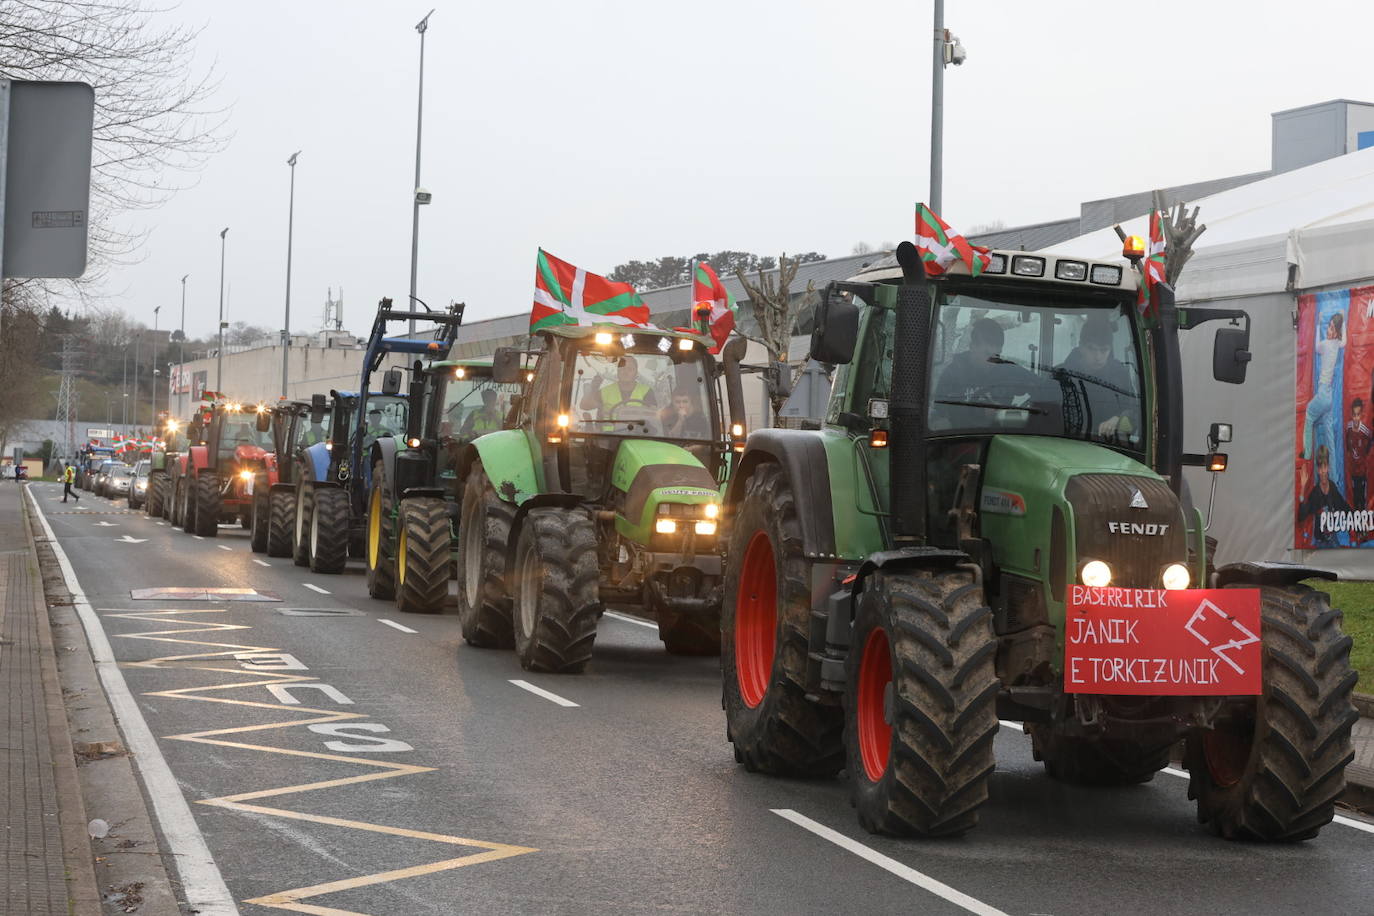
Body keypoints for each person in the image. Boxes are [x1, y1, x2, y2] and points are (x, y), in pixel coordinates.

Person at [933, 317, 1040, 428]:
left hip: (1002, 437)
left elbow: (1045, 387)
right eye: (986, 353)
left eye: (996, 355)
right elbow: (942, 415)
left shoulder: (1008, 370)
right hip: (962, 438)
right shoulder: (953, 374)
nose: (992, 361)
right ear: (972, 346)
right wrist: (981, 412)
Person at [1057, 314, 1140, 442]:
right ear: (1081, 347)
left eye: (1104, 350)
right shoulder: (1060, 375)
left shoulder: (1120, 374)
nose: (1098, 356)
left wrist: (1118, 419)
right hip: (1066, 444)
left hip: (1111, 449)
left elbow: (1135, 411)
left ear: (1110, 349)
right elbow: (1045, 415)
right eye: (1092, 349)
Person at [1302, 310, 1346, 460]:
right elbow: (1344, 341)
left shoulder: (1326, 344)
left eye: (1332, 328)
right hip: (1329, 397)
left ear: (1336, 332)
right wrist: (1344, 322)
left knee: (1309, 415)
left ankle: (1307, 453)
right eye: (1329, 326)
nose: (1329, 330)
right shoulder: (1337, 344)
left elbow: (1316, 347)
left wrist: (1318, 323)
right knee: (1330, 439)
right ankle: (1333, 476)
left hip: (1322, 393)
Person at [580, 355, 657, 431]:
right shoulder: (605, 391)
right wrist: (594, 387)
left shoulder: (647, 392)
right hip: (607, 438)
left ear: (636, 372)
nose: (625, 372)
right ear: (618, 371)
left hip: (637, 436)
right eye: (622, 368)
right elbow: (585, 406)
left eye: (630, 369)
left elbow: (654, 417)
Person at [1298, 445, 1352, 548]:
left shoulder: (1332, 487)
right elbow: (1301, 516)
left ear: (1328, 468)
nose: (1322, 471)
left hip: (1333, 538)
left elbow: (1344, 506)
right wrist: (1302, 489)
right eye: (1320, 468)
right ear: (1317, 470)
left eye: (1325, 466)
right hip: (1321, 543)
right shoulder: (1315, 493)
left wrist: (1363, 517)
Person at [1346, 397, 1372, 512]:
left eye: (1358, 415)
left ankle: (1362, 517)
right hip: (1353, 468)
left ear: (1361, 415)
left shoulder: (1363, 429)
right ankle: (1356, 519)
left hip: (1362, 469)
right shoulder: (1349, 427)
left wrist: (1365, 452)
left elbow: (1370, 438)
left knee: (1362, 495)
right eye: (1354, 415)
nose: (1356, 418)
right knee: (1355, 494)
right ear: (1351, 414)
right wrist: (1348, 450)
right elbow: (1347, 438)